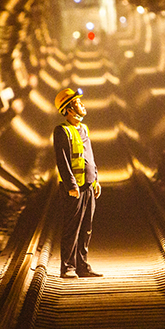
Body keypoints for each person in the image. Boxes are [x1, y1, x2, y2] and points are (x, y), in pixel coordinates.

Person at [53, 87, 103, 278]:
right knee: (71, 228)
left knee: (86, 228)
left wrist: (95, 179)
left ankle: (82, 266)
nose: (82, 105)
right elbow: (62, 161)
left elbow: (89, 156)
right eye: (77, 103)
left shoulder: (84, 128)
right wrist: (71, 185)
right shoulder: (62, 131)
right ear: (69, 110)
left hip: (88, 185)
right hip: (74, 188)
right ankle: (67, 267)